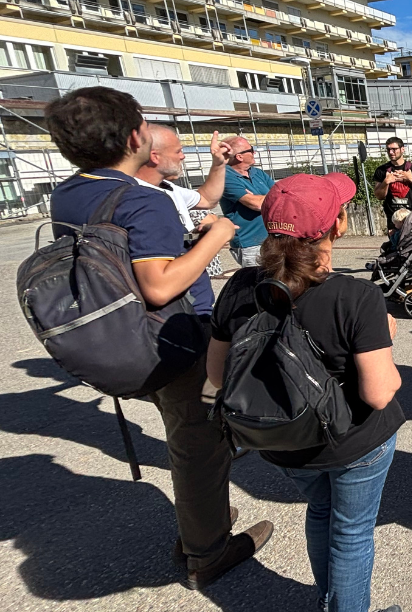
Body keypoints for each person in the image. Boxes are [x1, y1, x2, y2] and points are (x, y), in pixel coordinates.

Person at [44, 87, 273, 590]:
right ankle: (208, 551)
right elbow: (160, 283)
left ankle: (203, 521)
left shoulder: (68, 192)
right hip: (169, 339)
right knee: (197, 444)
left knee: (189, 433)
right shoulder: (142, 201)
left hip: (116, 335)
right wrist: (216, 236)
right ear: (135, 137)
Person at [207, 172, 404, 612]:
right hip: (353, 441)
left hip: (282, 440)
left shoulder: (240, 287)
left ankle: (328, 600)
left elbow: (217, 375)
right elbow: (379, 393)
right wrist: (384, 337)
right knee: (351, 531)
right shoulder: (356, 295)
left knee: (320, 511)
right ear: (337, 226)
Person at [135, 126, 230, 276]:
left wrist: (218, 164)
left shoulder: (168, 187)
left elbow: (207, 199)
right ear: (155, 156)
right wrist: (218, 234)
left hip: (191, 286)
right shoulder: (136, 196)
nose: (182, 156)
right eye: (178, 151)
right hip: (174, 286)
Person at [219, 135, 275, 267]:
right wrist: (266, 198)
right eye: (251, 149)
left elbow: (281, 197)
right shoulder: (223, 176)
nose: (254, 152)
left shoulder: (257, 173)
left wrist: (259, 197)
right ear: (239, 156)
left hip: (271, 239)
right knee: (258, 283)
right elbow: (255, 204)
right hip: (250, 244)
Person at [373, 137, 412, 230]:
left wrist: (411, 179)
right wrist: (386, 182)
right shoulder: (381, 170)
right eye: (388, 149)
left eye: (394, 149)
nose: (390, 152)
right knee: (395, 244)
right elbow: (379, 196)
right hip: (393, 220)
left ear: (402, 149)